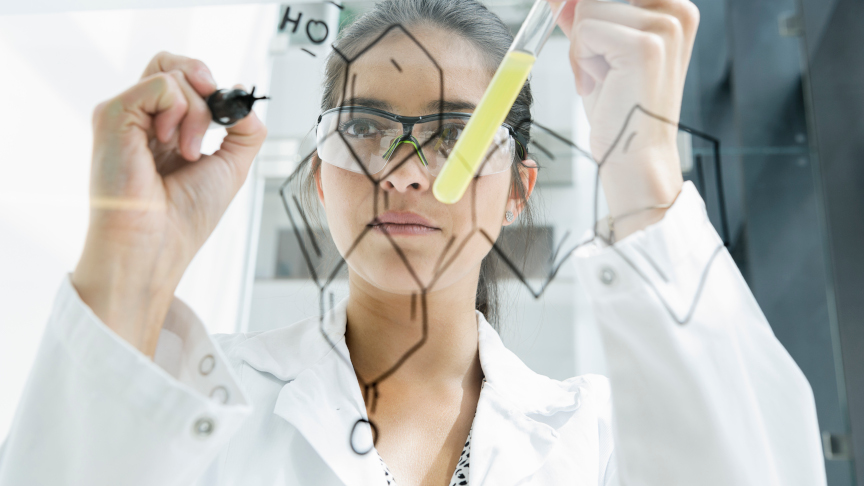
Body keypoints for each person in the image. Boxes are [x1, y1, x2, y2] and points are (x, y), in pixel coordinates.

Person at [0, 0, 827, 485]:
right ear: (320, 177)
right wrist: (129, 261)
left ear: (517, 197)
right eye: (363, 127)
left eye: (451, 134)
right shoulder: (200, 403)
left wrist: (643, 171)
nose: (400, 173)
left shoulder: (597, 442)